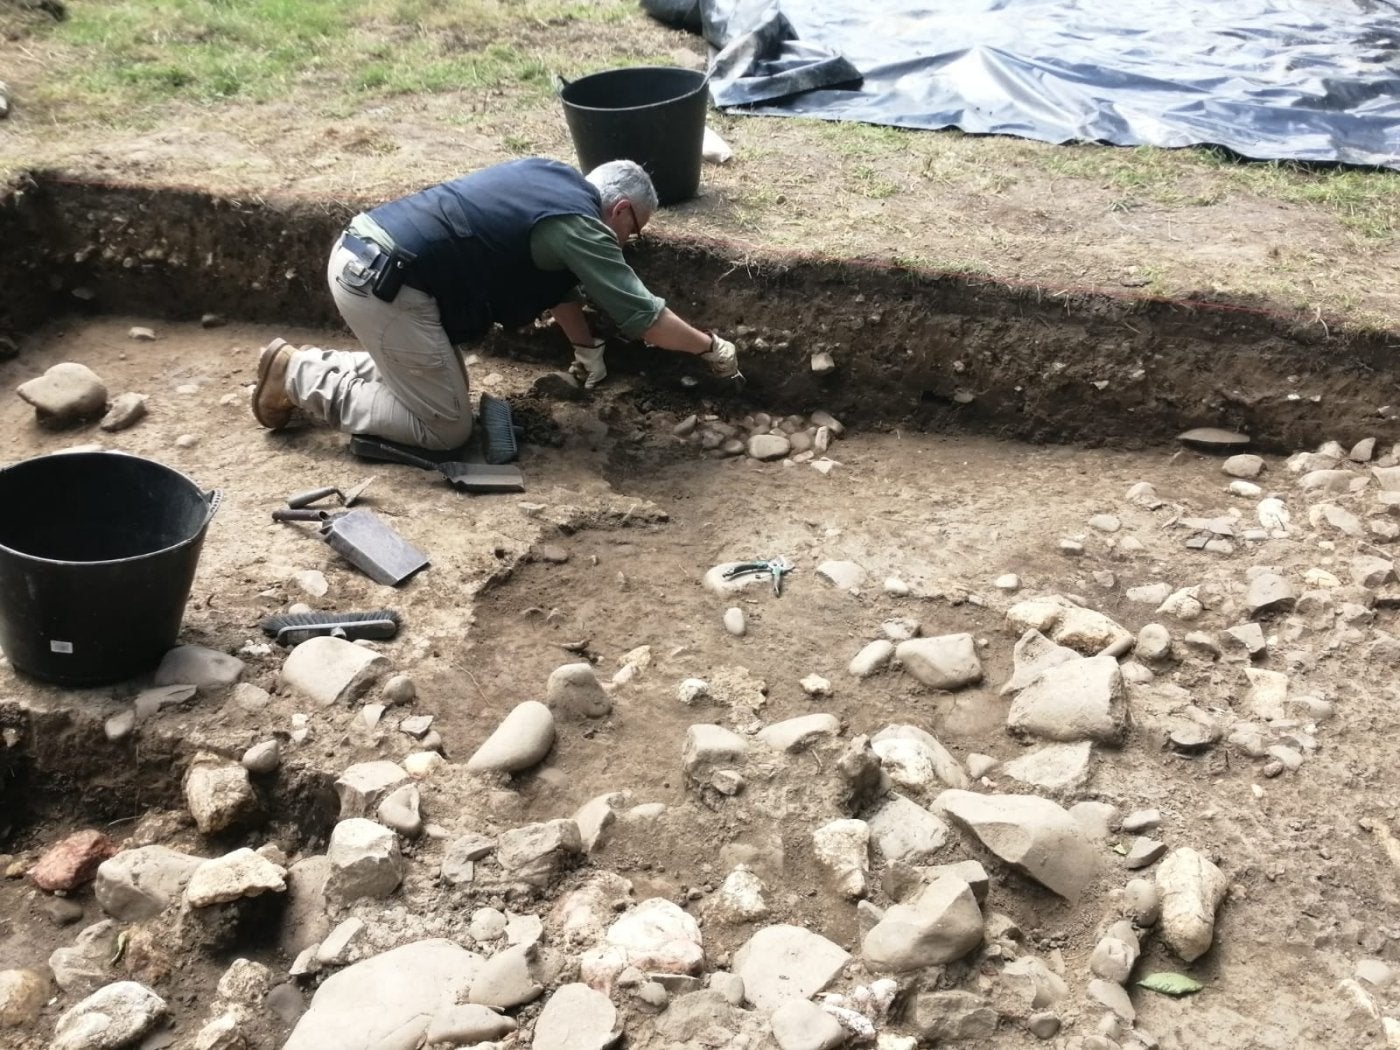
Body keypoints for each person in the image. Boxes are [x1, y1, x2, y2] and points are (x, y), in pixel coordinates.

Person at [251, 157, 741, 450]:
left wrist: (585, 348)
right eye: (634, 231)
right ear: (621, 209)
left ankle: (308, 363)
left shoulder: (548, 178)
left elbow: (557, 285)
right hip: (388, 287)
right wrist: (711, 347)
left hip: (364, 255)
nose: (628, 242)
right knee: (446, 429)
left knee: (445, 387)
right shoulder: (583, 226)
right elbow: (645, 318)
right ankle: (299, 377)